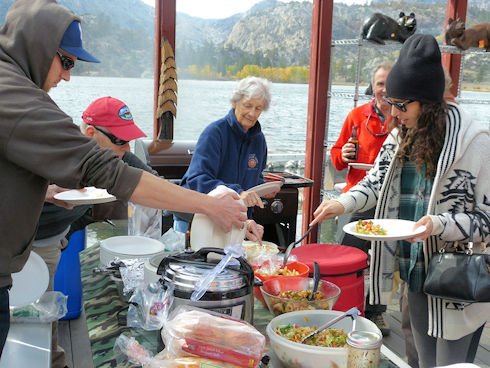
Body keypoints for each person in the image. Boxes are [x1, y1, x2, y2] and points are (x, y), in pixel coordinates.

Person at [0, 0, 246, 357]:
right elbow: (108, 171)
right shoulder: (16, 98)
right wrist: (210, 206)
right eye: (66, 61)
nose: (68, 75)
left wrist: (45, 191)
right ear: (37, 47)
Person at [311, 34, 489, 367]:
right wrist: (343, 203)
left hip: (457, 281)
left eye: (402, 105)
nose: (393, 112)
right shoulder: (400, 135)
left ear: (429, 101)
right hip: (415, 271)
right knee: (421, 360)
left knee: (451, 364)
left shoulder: (474, 142)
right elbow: (376, 182)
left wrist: (439, 225)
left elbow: (487, 220)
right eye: (392, 102)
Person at [32, 96, 156, 368]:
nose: (125, 148)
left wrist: (217, 201)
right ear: (90, 133)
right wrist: (46, 192)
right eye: (120, 141)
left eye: (129, 140)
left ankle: (55, 360)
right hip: (25, 243)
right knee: (31, 319)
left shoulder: (118, 158)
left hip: (54, 239)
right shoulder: (53, 151)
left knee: (46, 315)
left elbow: (154, 183)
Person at [175, 76, 279, 242]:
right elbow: (197, 179)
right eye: (248, 105)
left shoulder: (259, 140)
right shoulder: (214, 133)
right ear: (235, 102)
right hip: (198, 220)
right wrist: (238, 192)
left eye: (258, 108)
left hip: (235, 221)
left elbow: (253, 178)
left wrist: (264, 189)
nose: (252, 113)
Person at [330, 63, 393, 335]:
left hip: (391, 202)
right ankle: (341, 303)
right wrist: (342, 154)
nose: (384, 90)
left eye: (389, 84)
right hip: (360, 198)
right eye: (380, 83)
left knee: (383, 257)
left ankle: (376, 312)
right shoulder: (357, 116)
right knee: (350, 251)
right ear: (373, 86)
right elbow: (336, 157)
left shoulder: (404, 120)